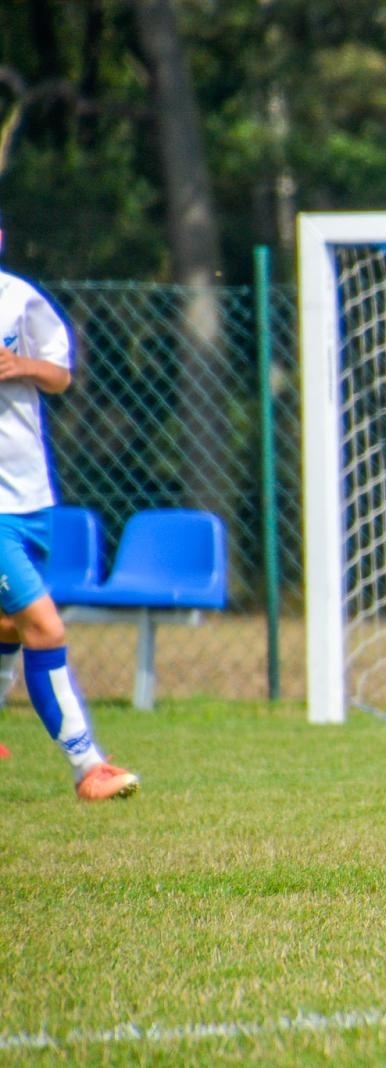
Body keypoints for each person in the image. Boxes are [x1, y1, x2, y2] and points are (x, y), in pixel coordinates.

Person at [0, 222, 139, 799]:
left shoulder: (18, 298)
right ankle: (89, 766)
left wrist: (20, 366)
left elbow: (60, 374)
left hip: (29, 495)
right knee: (43, 625)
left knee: (9, 624)